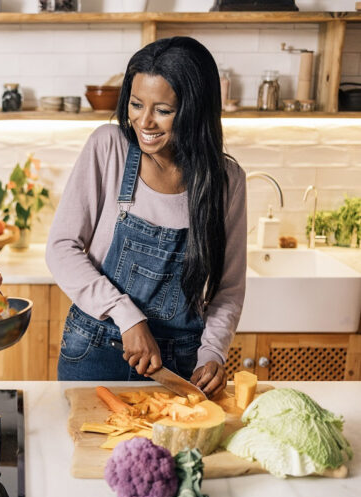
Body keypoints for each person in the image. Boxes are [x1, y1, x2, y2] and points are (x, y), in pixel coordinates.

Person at [46, 36, 246, 397]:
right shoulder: (109, 148)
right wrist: (127, 316)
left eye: (163, 110)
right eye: (136, 104)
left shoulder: (226, 182)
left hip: (183, 362)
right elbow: (61, 248)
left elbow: (227, 289)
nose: (144, 121)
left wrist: (213, 351)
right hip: (97, 349)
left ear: (195, 109)